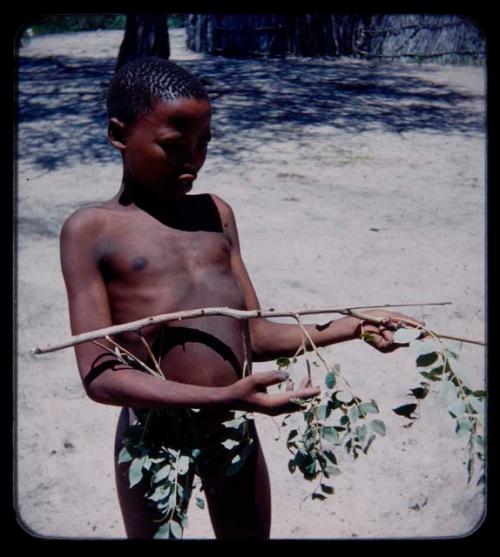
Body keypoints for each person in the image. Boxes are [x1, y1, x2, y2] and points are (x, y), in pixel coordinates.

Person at [60, 57, 419, 540]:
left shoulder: (216, 214)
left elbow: (254, 334)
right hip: (153, 440)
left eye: (203, 144)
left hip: (233, 430)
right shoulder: (90, 231)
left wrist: (352, 325)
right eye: (173, 146)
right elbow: (100, 376)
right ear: (118, 135)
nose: (192, 160)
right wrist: (223, 395)